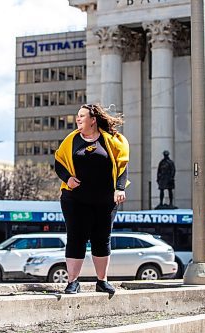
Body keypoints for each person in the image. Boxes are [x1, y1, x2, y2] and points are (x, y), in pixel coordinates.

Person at [54, 103, 129, 296]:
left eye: (82, 116)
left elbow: (122, 165)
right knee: (76, 238)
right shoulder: (71, 140)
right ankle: (72, 282)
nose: (78, 119)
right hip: (75, 200)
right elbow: (59, 162)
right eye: (77, 116)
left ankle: (102, 281)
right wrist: (67, 179)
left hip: (105, 200)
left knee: (102, 239)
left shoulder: (112, 140)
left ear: (93, 120)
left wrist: (119, 188)